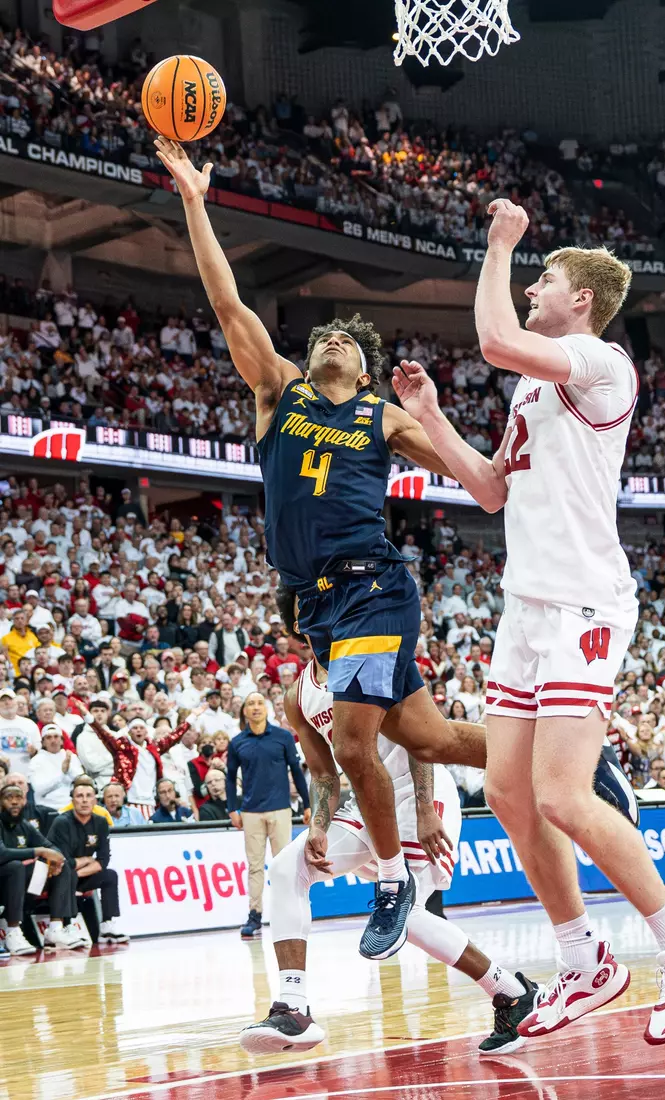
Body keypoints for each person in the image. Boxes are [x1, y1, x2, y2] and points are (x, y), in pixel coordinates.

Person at [393, 203, 665, 1044]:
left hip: (584, 599)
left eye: (546, 278)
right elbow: (491, 489)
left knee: (563, 795)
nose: (533, 284)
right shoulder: (532, 385)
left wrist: (499, 245)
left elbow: (498, 337)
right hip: (528, 603)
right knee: (507, 793)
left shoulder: (600, 361)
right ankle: (586, 959)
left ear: (580, 301)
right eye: (529, 272)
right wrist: (432, 416)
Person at [156, 137, 486, 960]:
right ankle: (560, 751)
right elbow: (229, 305)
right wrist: (196, 200)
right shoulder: (280, 392)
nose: (334, 339)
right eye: (325, 335)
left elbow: (473, 473)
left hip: (374, 585)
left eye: (349, 340)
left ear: (366, 370)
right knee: (434, 741)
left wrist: (440, 414)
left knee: (347, 738)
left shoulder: (383, 416)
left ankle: (389, 878)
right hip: (318, 604)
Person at [242, 653, 538, 1055]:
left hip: (418, 792)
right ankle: (293, 1007)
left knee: (410, 914)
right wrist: (317, 825)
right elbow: (325, 775)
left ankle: (511, 992)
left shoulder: (367, 656)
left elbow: (418, 737)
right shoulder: (299, 696)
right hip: (367, 801)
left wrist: (424, 809)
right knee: (285, 867)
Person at [227, 692, 310, 937]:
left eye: (259, 703)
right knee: (254, 866)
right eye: (250, 704)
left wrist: (307, 804)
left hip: (281, 809)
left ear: (267, 709)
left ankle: (288, 912)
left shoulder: (283, 737)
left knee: (284, 865)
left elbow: (296, 771)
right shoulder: (237, 742)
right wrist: (233, 808)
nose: (255, 707)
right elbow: (230, 778)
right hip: (251, 812)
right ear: (244, 711)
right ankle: (255, 915)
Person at [0, 780, 83, 952]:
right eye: (9, 798)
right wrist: (39, 852)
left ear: (25, 801)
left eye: (18, 797)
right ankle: (12, 932)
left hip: (22, 884)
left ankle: (55, 929)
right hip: (3, 883)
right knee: (15, 866)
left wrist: (53, 859)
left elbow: (51, 848)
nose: (14, 802)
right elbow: (2, 854)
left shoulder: (24, 825)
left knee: (63, 866)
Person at [47, 775, 129, 944]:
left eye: (88, 796)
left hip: (77, 875)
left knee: (110, 875)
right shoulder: (61, 822)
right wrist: (86, 859)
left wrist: (79, 871)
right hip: (56, 877)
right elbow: (63, 862)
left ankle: (107, 925)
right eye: (79, 796)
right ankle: (68, 926)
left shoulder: (100, 822)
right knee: (67, 873)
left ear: (95, 800)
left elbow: (103, 860)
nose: (84, 801)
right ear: (73, 800)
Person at [29, 724, 84, 812]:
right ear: (43, 742)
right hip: (46, 808)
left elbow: (81, 781)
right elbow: (39, 789)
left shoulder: (70, 757)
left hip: (71, 806)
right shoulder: (36, 761)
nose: (53, 740)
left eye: (56, 737)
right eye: (49, 737)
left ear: (62, 741)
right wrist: (62, 774)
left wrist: (69, 769)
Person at [0, 686, 41, 776]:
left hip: (27, 775)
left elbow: (40, 750)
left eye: (10, 699)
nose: (7, 702)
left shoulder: (30, 724)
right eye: (3, 700)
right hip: (3, 777)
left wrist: (34, 751)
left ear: (16, 703)